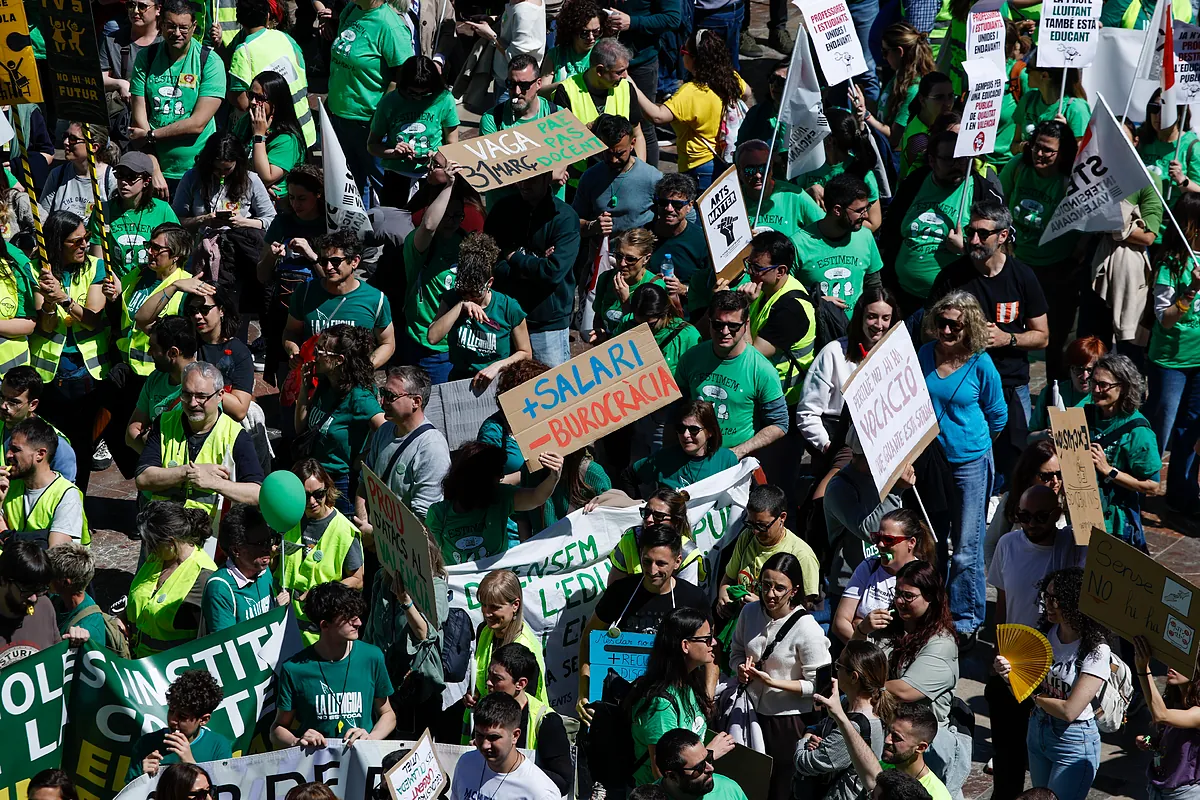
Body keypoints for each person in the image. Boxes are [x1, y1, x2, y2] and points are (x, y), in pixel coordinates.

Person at [928, 201, 1050, 490]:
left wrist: (1008, 339)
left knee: (1015, 462)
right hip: (963, 388)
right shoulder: (952, 277)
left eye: (983, 234)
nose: (973, 240)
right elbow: (929, 329)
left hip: (1010, 385)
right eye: (970, 232)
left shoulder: (1022, 276)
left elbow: (1042, 336)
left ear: (1003, 236)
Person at [986, 485, 1087, 800]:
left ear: (1057, 514)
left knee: (1049, 761)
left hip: (1055, 671)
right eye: (1024, 516)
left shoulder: (1073, 548)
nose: (1031, 523)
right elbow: (1003, 601)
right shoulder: (1008, 544)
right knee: (1007, 756)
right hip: (1013, 666)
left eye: (1041, 517)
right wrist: (998, 649)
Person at [920, 291, 1006, 638]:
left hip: (970, 463)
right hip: (932, 463)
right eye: (942, 322)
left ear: (969, 326)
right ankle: (935, 607)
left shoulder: (980, 362)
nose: (947, 331)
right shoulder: (925, 354)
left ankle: (966, 619)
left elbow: (998, 415)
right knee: (933, 540)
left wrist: (974, 445)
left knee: (967, 548)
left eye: (955, 325)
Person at [799, 288, 901, 545]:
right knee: (824, 496)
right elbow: (807, 412)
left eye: (885, 318)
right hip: (844, 439)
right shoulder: (834, 353)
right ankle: (819, 548)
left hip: (887, 438)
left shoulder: (897, 353)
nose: (878, 325)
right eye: (872, 317)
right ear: (860, 317)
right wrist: (827, 446)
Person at [578, 525, 712, 720]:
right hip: (620, 702)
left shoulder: (693, 598)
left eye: (661, 563)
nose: (652, 570)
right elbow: (589, 638)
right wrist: (583, 691)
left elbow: (710, 650)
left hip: (673, 707)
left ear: (677, 561)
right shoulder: (620, 592)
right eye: (647, 561)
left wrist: (707, 698)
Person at [995, 568, 1107, 800]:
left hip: (1073, 741)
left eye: (1056, 599)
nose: (1048, 604)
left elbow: (1070, 711)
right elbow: (1021, 688)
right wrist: (1008, 676)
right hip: (1038, 730)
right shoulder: (1045, 633)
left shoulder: (1096, 650)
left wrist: (1034, 695)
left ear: (1075, 602)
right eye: (1046, 596)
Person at [731, 552, 832, 800]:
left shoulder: (808, 629)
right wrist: (740, 669)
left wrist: (773, 682)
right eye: (765, 585)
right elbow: (736, 652)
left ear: (794, 590)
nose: (770, 594)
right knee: (749, 783)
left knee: (781, 790)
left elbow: (821, 687)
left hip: (789, 722)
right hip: (751, 713)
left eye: (779, 588)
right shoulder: (749, 612)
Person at [29, 211, 111, 494]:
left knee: (81, 445)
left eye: (86, 238)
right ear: (57, 242)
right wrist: (48, 303)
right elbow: (46, 325)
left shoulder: (95, 267)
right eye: (76, 241)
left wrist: (63, 298)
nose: (84, 245)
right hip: (49, 374)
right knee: (48, 444)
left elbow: (92, 319)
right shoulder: (37, 269)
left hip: (87, 372)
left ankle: (77, 500)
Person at [135, 362, 265, 532]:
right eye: (187, 394)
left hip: (209, 539)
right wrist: (187, 473)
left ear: (220, 395)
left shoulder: (236, 436)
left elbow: (257, 493)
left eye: (201, 396)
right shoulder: (165, 423)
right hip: (163, 535)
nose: (192, 403)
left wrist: (214, 483)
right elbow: (143, 478)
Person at [272, 581, 397, 747]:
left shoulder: (371, 657)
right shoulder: (294, 669)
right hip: (316, 761)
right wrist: (297, 741)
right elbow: (277, 729)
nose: (358, 623)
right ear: (325, 625)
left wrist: (370, 738)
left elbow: (387, 714)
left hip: (360, 759)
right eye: (348, 618)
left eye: (357, 616)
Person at [1001, 120, 1079, 381]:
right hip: (1019, 263)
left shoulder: (1071, 180)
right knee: (1013, 330)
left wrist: (1076, 256)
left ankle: (1057, 394)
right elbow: (999, 203)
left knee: (1057, 339)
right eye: (1036, 147)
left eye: (1048, 150)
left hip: (1057, 269)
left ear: (1063, 153)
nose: (1040, 154)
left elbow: (1086, 224)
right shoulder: (1017, 166)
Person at [626, 607, 735, 786]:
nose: (714, 643)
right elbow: (662, 773)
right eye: (707, 638)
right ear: (685, 645)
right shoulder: (660, 704)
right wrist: (709, 754)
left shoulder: (689, 685)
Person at [629, 30, 750, 189]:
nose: (682, 55)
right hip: (723, 161)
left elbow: (658, 117)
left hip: (698, 167)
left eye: (683, 51)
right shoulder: (730, 78)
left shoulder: (690, 92)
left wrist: (632, 85)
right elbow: (747, 93)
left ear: (694, 59)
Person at [129, 0, 225, 198]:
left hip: (197, 170)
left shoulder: (209, 61)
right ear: (161, 24)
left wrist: (151, 135)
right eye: (171, 26)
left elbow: (197, 123)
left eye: (183, 27)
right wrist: (154, 168)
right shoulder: (146, 58)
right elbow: (139, 119)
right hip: (154, 170)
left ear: (194, 27)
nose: (177, 33)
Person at [486, 171, 582, 368]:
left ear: (547, 178)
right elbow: (489, 261)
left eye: (532, 179)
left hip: (547, 324)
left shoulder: (564, 217)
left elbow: (552, 272)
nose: (524, 184)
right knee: (506, 383)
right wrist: (534, 265)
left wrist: (514, 257)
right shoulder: (502, 210)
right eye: (521, 178)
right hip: (506, 319)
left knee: (551, 383)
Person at [676, 291, 789, 458]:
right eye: (718, 324)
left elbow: (780, 424)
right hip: (693, 457)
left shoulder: (761, 369)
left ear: (746, 324)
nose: (725, 331)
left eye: (733, 326)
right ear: (709, 322)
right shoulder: (691, 359)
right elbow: (675, 408)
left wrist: (738, 452)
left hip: (738, 462)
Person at [325, 0, 413, 207]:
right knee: (352, 186)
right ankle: (361, 226)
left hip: (370, 123)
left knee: (386, 188)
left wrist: (381, 118)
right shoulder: (350, 10)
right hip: (340, 116)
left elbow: (403, 77)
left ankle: (395, 227)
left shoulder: (390, 26)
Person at [426, 443, 563, 564]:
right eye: (498, 473)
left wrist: (554, 477)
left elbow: (536, 497)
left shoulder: (501, 498)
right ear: (480, 479)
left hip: (496, 582)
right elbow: (432, 557)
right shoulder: (439, 513)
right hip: (459, 584)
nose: (502, 477)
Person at [885, 131, 980, 306]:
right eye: (949, 159)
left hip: (950, 301)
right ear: (932, 160)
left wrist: (965, 248)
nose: (957, 165)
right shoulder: (915, 182)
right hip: (902, 294)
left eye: (962, 159)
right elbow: (890, 230)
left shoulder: (980, 190)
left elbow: (998, 248)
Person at [295, 324, 385, 507]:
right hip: (315, 475)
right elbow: (300, 428)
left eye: (320, 351)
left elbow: (388, 431)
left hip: (340, 484)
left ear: (338, 360)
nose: (314, 355)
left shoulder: (360, 398)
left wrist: (364, 458)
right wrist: (304, 389)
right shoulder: (326, 383)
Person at [1148, 195, 1200, 512]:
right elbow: (1164, 318)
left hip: (1199, 360)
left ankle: (1182, 493)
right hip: (1170, 362)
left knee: (1191, 428)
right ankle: (1143, 486)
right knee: (1162, 427)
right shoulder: (1170, 265)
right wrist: (1191, 290)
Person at [426, 232, 531, 386]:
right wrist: (460, 306)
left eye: (475, 293)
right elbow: (432, 337)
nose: (469, 297)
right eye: (464, 291)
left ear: (489, 283)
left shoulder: (509, 307)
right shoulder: (453, 299)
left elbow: (525, 353)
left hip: (496, 380)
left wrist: (498, 366)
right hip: (460, 380)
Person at [354, 366, 450, 532]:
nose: (383, 402)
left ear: (416, 402)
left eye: (390, 396)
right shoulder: (384, 431)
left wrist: (375, 535)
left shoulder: (432, 448)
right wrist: (363, 524)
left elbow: (422, 519)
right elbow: (364, 483)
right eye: (383, 393)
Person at [794, 640, 893, 800]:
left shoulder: (856, 726)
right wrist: (817, 737)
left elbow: (805, 763)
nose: (835, 671)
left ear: (853, 677)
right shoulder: (848, 703)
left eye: (838, 665)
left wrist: (805, 740)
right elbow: (822, 727)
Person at [823, 430, 913, 602]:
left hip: (887, 581)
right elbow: (872, 531)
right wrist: (895, 491)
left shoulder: (884, 474)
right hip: (852, 587)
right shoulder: (839, 488)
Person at [281, 458, 365, 643]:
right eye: (305, 496)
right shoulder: (288, 520)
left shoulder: (344, 530)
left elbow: (358, 580)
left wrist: (321, 593)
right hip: (286, 625)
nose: (312, 501)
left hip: (323, 631)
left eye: (318, 494)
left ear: (328, 489)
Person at [113, 223, 210, 380]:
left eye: (157, 248)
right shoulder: (138, 274)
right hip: (124, 368)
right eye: (149, 245)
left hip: (157, 373)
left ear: (176, 255)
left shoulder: (187, 286)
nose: (149, 251)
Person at [285, 231, 396, 370]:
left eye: (335, 261)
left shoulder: (375, 299)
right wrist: (294, 351)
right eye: (323, 261)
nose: (328, 267)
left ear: (355, 261)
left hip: (354, 380)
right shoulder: (305, 292)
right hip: (313, 378)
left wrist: (365, 368)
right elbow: (291, 331)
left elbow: (387, 343)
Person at [814, 689, 952, 800]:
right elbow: (867, 767)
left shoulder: (937, 795)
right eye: (888, 731)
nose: (887, 740)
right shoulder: (886, 767)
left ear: (921, 747)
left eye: (897, 737)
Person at [123, 502, 218, 657]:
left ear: (171, 542)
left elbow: (209, 638)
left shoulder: (203, 576)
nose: (148, 548)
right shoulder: (157, 558)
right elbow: (144, 602)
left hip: (170, 666)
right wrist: (122, 617)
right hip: (137, 659)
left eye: (151, 543)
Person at [1087, 353, 1162, 548]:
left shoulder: (1138, 431)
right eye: (1093, 382)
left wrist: (1109, 471)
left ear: (1124, 387)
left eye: (1103, 385)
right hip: (1082, 513)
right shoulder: (1086, 415)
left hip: (1115, 524)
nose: (1096, 390)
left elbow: (1152, 487)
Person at [260, 165, 327, 381]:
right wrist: (271, 257)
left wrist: (311, 255)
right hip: (283, 310)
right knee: (286, 375)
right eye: (291, 197)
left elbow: (334, 280)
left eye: (302, 198)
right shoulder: (282, 223)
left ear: (318, 195)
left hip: (317, 311)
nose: (296, 204)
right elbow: (261, 275)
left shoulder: (329, 225)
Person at [832, 510, 937, 645]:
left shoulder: (923, 576)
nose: (880, 545)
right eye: (877, 538)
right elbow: (840, 623)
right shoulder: (870, 566)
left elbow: (924, 630)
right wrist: (864, 636)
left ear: (911, 542)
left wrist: (859, 626)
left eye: (889, 540)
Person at [481, 643, 573, 794]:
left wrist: (514, 765)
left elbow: (562, 783)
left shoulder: (546, 721)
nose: (489, 683)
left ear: (520, 684)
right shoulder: (485, 708)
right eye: (489, 675)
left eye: (497, 679)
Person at [717, 484, 820, 617]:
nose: (755, 531)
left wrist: (764, 605)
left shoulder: (802, 555)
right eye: (751, 524)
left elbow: (805, 607)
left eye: (762, 526)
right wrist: (724, 595)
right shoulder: (747, 537)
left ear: (782, 517)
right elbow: (729, 578)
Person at [369, 56, 460, 207]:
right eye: (412, 93)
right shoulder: (389, 102)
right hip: (397, 175)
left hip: (431, 176)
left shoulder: (444, 99)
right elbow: (372, 145)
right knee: (393, 219)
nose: (418, 98)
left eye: (425, 94)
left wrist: (438, 158)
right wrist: (393, 153)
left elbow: (453, 144)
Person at [226, 0, 314, 150]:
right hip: (305, 128)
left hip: (275, 139)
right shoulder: (286, 38)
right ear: (267, 16)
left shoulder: (244, 51)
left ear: (239, 20)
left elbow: (242, 102)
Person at [791, 175, 885, 317]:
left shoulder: (865, 237)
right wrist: (815, 300)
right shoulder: (798, 244)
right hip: (814, 327)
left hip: (854, 328)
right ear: (837, 210)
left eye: (867, 208)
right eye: (859, 210)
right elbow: (782, 293)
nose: (866, 215)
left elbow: (874, 285)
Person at [552, 39, 646, 166]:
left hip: (620, 173)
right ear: (600, 71)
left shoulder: (626, 88)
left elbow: (637, 134)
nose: (625, 76)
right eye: (619, 72)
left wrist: (640, 169)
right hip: (581, 175)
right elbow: (560, 143)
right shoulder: (566, 91)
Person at [126, 669, 233, 780]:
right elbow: (129, 790)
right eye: (171, 711)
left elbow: (223, 789)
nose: (172, 720)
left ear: (203, 719)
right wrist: (143, 779)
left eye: (182, 716)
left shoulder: (218, 746)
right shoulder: (146, 744)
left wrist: (191, 764)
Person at [575, 115, 663, 248]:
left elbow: (680, 215)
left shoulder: (652, 177)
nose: (614, 160)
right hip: (600, 255)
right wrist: (592, 226)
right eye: (608, 153)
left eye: (620, 153)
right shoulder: (590, 177)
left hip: (638, 256)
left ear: (632, 144)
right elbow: (574, 222)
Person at [453, 692, 561, 800]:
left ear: (515, 736)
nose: (485, 745)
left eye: (493, 737)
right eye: (479, 735)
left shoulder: (541, 793)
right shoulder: (465, 763)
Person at [0, 417, 88, 547]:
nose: (8, 455)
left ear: (40, 454)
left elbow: (55, 552)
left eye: (16, 450)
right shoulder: (8, 485)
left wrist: (6, 537)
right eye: (9, 448)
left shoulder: (66, 495)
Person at [172, 131, 277, 236]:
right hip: (201, 240)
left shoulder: (251, 180)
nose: (222, 174)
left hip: (239, 240)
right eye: (217, 169)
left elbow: (271, 219)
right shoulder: (192, 177)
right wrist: (202, 220)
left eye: (227, 169)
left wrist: (243, 222)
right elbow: (174, 220)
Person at [1133, 634, 1200, 800]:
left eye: (1179, 663)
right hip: (1158, 788)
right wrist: (1153, 742)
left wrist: (1143, 669)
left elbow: (1161, 715)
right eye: (1171, 661)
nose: (1171, 667)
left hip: (1185, 794)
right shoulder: (1174, 701)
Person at [624, 401, 739, 497]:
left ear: (709, 432)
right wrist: (637, 506)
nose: (685, 435)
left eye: (693, 430)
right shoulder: (664, 458)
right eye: (681, 428)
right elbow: (628, 476)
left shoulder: (727, 460)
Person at [202, 504, 287, 633]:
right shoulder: (220, 588)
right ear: (236, 550)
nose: (268, 548)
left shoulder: (263, 571)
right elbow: (228, 642)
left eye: (269, 540)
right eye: (260, 543)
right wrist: (275, 616)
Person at [470, 569, 549, 706]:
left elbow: (525, 704)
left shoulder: (525, 648)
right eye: (484, 605)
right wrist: (474, 693)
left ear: (515, 605)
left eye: (494, 607)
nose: (487, 613)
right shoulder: (484, 630)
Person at [984, 439, 1068, 567]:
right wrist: (999, 576)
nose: (1055, 481)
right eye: (1046, 476)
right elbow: (991, 544)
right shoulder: (1012, 501)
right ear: (1029, 476)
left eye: (1059, 474)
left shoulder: (1070, 503)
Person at [798, 109, 884, 231]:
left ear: (830, 140)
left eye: (817, 132)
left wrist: (834, 219)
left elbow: (873, 223)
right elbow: (793, 201)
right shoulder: (809, 166)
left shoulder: (862, 172)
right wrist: (808, 192)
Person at [125, 316, 197, 454]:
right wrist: (153, 459)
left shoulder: (204, 387)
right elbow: (132, 431)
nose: (149, 352)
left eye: (153, 347)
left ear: (173, 352)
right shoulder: (155, 378)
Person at [186, 284, 255, 422]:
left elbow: (240, 410)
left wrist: (202, 385)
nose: (197, 316)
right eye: (192, 310)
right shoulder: (186, 344)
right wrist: (174, 286)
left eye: (205, 309)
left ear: (221, 310)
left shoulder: (239, 353)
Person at [105, 152, 180, 279]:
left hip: (152, 282)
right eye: (120, 175)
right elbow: (97, 259)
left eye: (131, 176)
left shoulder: (163, 210)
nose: (124, 182)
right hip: (114, 282)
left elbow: (177, 250)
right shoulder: (104, 210)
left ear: (146, 181)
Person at [233, 70, 306, 199]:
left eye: (260, 98)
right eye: (251, 95)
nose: (253, 102)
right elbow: (229, 156)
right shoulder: (246, 121)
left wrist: (259, 137)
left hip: (277, 205)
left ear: (276, 102)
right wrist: (256, 184)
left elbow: (266, 177)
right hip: (246, 193)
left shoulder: (287, 139)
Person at [604, 488, 703, 584]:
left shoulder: (687, 552)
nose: (649, 519)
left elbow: (687, 594)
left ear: (676, 521)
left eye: (658, 516)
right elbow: (613, 588)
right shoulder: (630, 539)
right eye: (647, 513)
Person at [736, 140, 824, 245]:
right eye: (749, 170)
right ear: (739, 172)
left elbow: (826, 231)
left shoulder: (794, 195)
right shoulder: (734, 200)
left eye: (764, 168)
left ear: (772, 167)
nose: (758, 175)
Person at [0, 367, 75, 481]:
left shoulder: (56, 444)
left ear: (32, 405)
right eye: (1, 397)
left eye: (13, 402)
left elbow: (63, 489)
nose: (3, 406)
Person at [100, 0, 161, 138]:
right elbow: (99, 78)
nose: (135, 11)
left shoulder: (166, 42)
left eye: (142, 6)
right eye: (131, 5)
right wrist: (120, 83)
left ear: (158, 9)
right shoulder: (112, 40)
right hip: (121, 118)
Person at [870, 23, 936, 149]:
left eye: (885, 52)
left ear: (899, 52)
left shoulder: (913, 89)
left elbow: (895, 139)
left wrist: (867, 117)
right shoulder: (899, 77)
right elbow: (883, 111)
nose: (883, 57)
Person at [1028, 336, 1106, 440]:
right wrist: (1045, 434)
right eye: (1078, 369)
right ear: (1069, 368)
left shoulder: (1106, 396)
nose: (1085, 376)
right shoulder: (1051, 393)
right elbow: (1029, 438)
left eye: (1090, 370)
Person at [592, 228, 664, 339]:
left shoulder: (655, 287)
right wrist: (599, 332)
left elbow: (649, 335)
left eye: (630, 259)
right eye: (619, 256)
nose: (622, 263)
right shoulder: (606, 278)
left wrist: (625, 303)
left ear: (646, 259)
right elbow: (598, 316)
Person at [39, 123, 116, 219]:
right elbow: (44, 217)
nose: (65, 142)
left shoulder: (111, 178)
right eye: (65, 136)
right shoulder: (57, 174)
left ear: (94, 147)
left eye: (73, 139)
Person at [1011, 60, 1090, 153]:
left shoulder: (1076, 108)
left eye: (1028, 69)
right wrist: (1023, 147)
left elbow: (1083, 154)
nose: (1025, 73)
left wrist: (1066, 134)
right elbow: (1013, 147)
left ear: (1044, 75)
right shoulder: (1028, 99)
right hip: (1026, 162)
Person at [0, 541, 58, 666]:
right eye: (26, 590)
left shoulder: (45, 606)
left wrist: (74, 643)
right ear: (3, 580)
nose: (33, 598)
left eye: (39, 590)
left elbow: (55, 661)